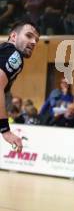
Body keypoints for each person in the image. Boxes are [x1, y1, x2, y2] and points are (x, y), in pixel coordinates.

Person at [0, 21, 40, 152]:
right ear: (13, 36)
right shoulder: (15, 55)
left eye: (36, 40)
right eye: (29, 36)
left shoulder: (4, 50)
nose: (34, 42)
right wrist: (5, 129)